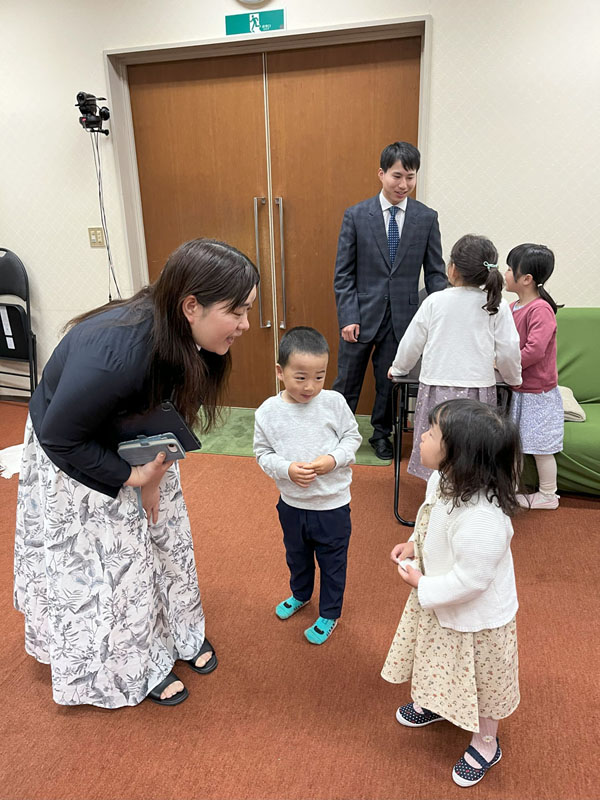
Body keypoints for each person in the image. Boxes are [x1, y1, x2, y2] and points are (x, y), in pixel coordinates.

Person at [14, 238, 259, 708]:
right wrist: (131, 480)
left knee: (165, 536)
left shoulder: (181, 332)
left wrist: (156, 477)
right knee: (115, 563)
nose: (246, 325)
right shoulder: (119, 352)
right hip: (74, 449)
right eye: (237, 312)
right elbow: (63, 436)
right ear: (192, 306)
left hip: (136, 440)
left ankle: (179, 632)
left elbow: (165, 410)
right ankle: (137, 667)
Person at [381, 399, 521, 788]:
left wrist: (421, 585)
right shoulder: (440, 481)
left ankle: (486, 741)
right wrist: (413, 544)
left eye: (431, 434)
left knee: (484, 681)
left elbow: (472, 581)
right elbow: (429, 520)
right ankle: (440, 705)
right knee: (440, 658)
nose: (421, 436)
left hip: (478, 618)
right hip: (442, 603)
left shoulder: (482, 519)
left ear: (460, 455)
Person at [332, 141, 447, 461]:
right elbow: (343, 274)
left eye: (410, 177)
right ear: (381, 174)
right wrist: (347, 316)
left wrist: (448, 305)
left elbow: (435, 272)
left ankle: (381, 434)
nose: (403, 185)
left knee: (389, 382)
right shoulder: (356, 215)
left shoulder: (426, 217)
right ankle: (337, 434)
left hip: (404, 318)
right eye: (397, 176)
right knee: (347, 381)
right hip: (360, 314)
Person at [253, 326, 362, 644]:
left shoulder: (334, 403)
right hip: (291, 504)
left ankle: (329, 612)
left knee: (332, 562)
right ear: (280, 372)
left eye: (319, 376)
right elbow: (262, 454)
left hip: (332, 505)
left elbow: (352, 437)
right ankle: (300, 594)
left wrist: (335, 459)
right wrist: (286, 469)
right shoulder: (268, 412)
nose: (311, 386)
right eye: (300, 377)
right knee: (296, 555)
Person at [388, 234, 522, 481]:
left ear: (452, 269)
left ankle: (437, 492)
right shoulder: (497, 304)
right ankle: (469, 490)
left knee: (439, 444)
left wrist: (398, 369)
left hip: (436, 390)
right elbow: (509, 349)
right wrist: (513, 378)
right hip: (478, 393)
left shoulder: (435, 301)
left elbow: (411, 342)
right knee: (473, 446)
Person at [505, 243, 563, 510]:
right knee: (514, 443)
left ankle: (548, 495)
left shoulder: (540, 310)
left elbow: (535, 350)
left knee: (541, 446)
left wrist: (505, 366)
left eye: (509, 269)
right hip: (518, 389)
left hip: (537, 393)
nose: (505, 273)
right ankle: (510, 489)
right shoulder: (513, 306)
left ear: (526, 279)